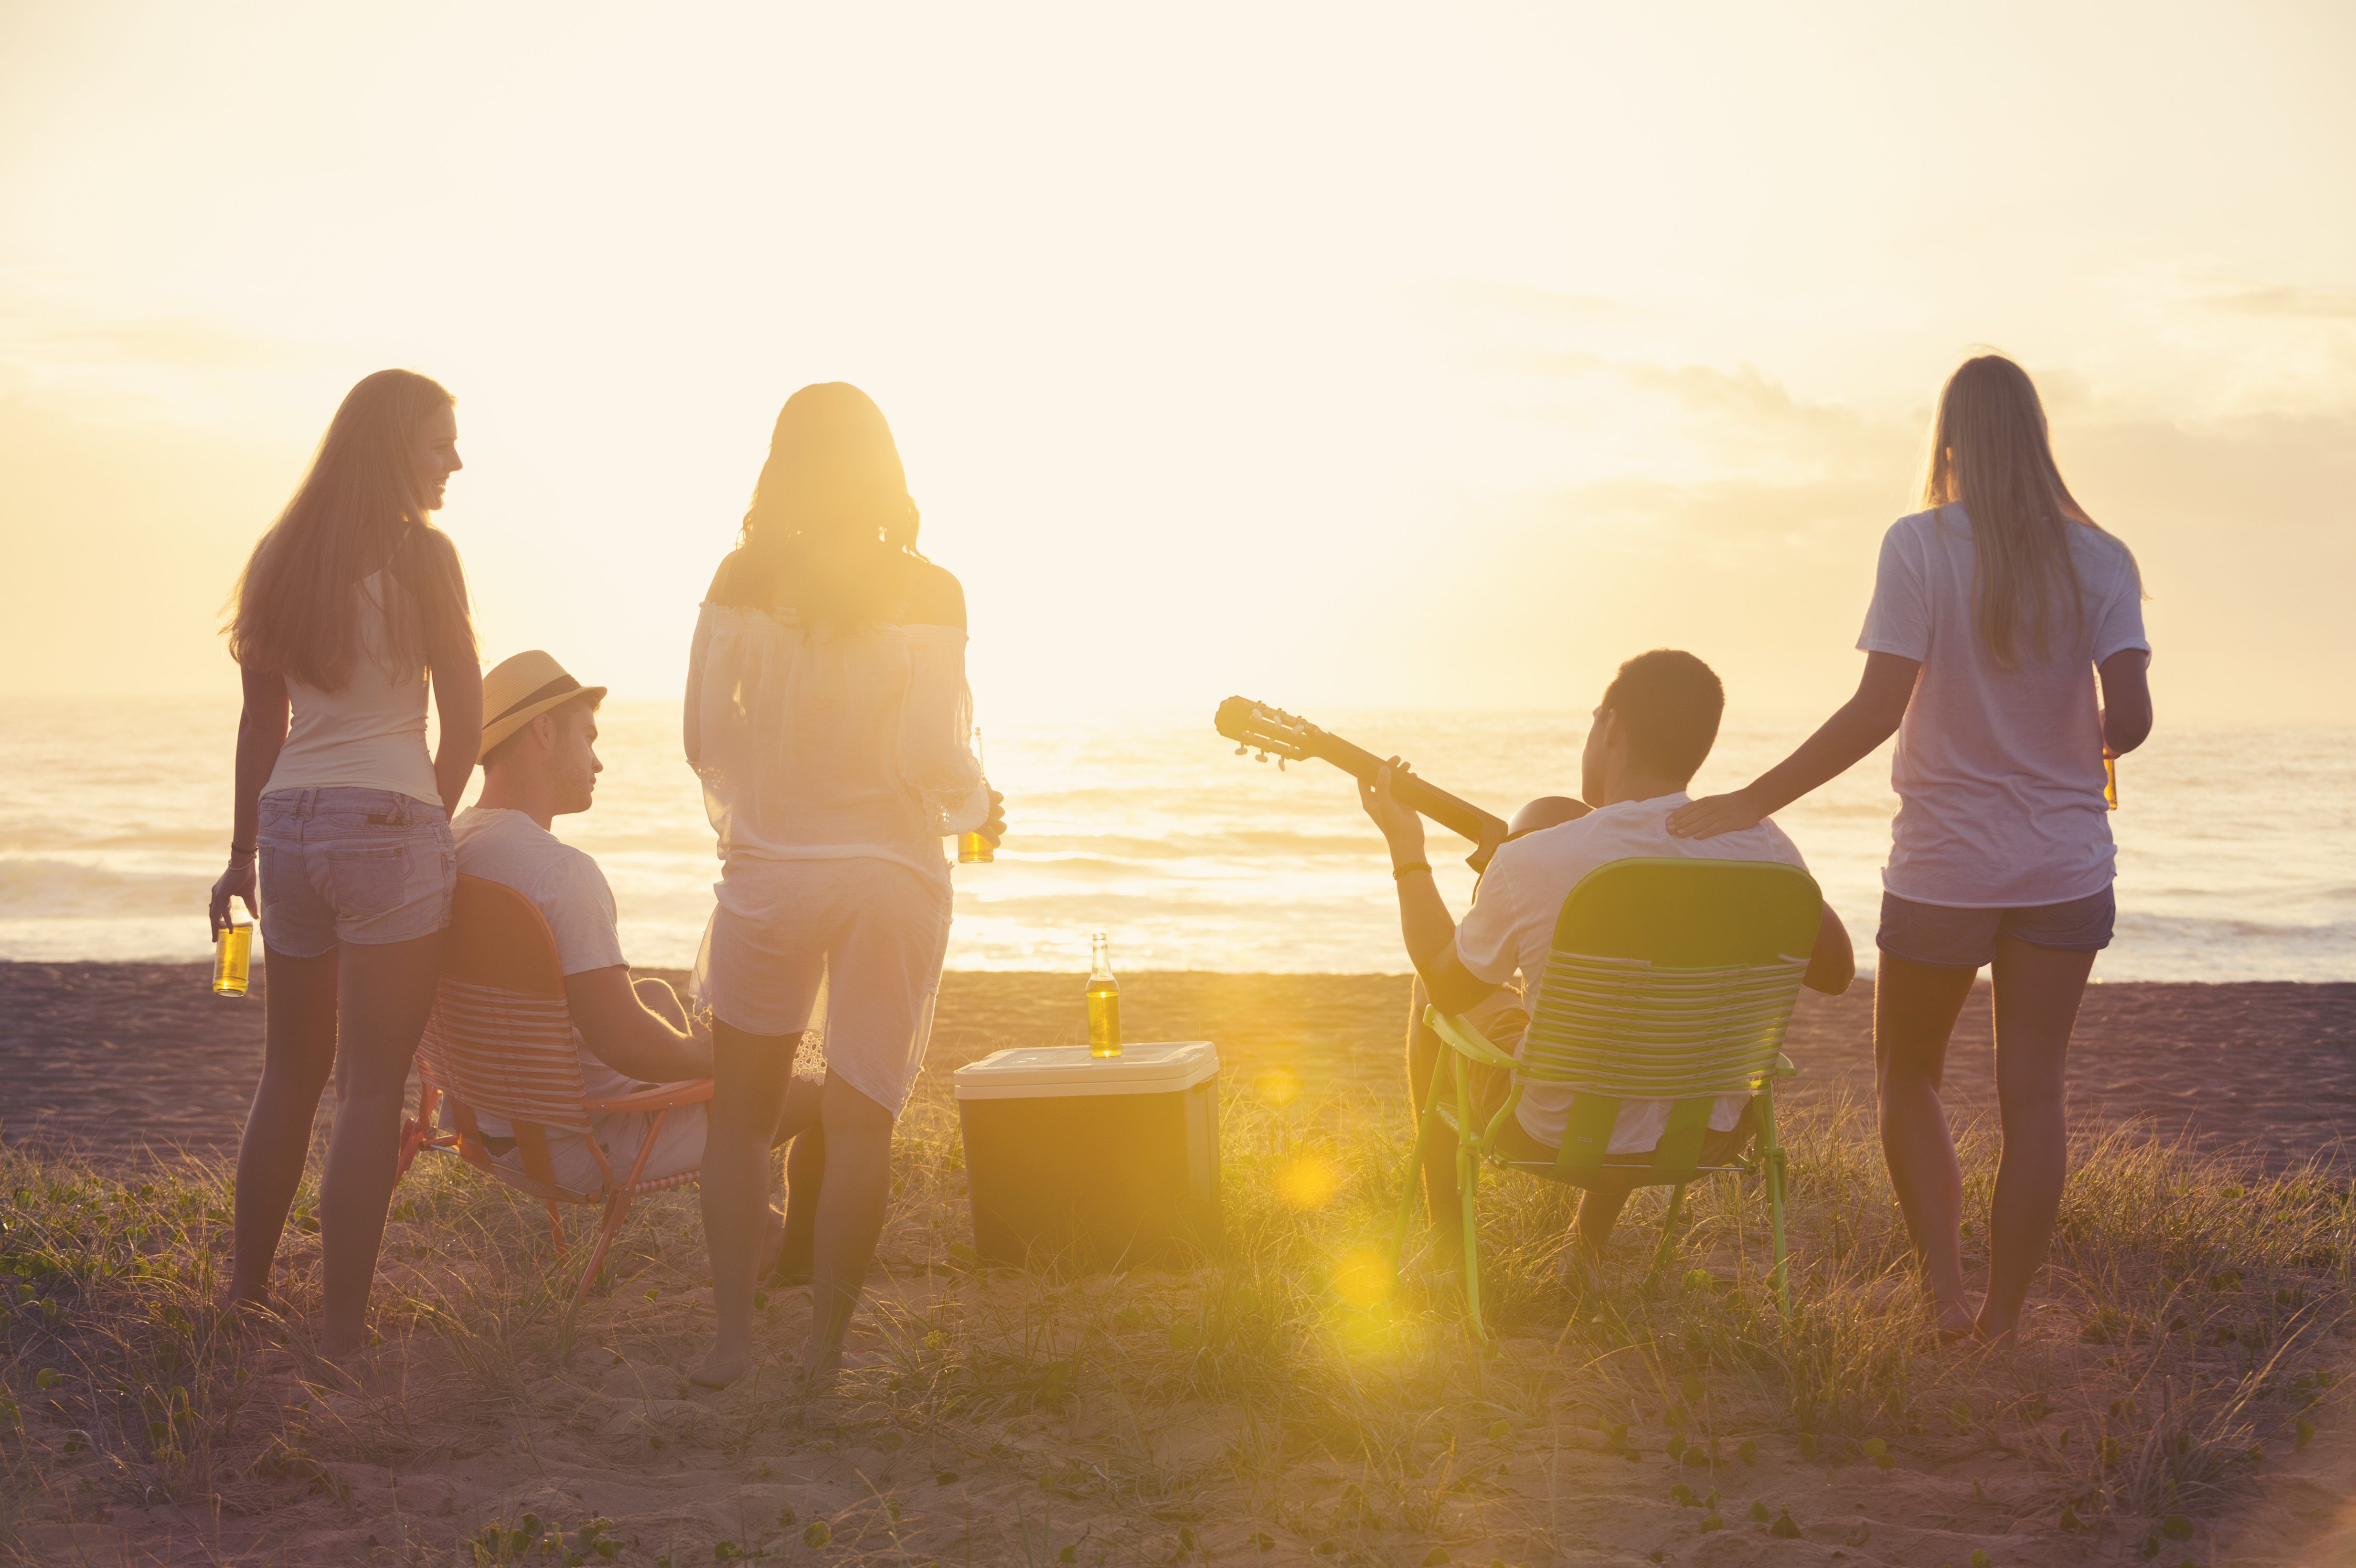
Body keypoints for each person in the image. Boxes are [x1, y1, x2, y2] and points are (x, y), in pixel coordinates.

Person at [1668, 353, 2152, 1347]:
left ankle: (1944, 1297)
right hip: (2063, 863)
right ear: (2036, 441)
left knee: (1907, 1075)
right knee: (2035, 1092)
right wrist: (2088, 727)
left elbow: (1876, 710)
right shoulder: (2102, 558)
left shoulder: (1920, 545)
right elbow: (2132, 720)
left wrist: (1751, 798)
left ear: (1947, 442)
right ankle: (2005, 1321)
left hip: (1944, 863)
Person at [685, 382, 1004, 1390]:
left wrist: (763, 789)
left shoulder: (741, 577)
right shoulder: (932, 591)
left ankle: (734, 1347)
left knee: (738, 1120)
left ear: (783, 465)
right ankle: (822, 1359)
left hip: (774, 869)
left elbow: (704, 737)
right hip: (890, 873)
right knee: (864, 1121)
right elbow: (929, 750)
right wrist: (977, 804)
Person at [1357, 650, 1856, 1276]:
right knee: (1651, 1002)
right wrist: (1768, 860)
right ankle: (1585, 1249)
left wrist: (1407, 849)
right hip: (1704, 1135)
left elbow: (1449, 985)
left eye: (1594, 720)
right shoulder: (1767, 849)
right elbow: (1836, 973)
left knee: (1426, 996)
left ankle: (1450, 1248)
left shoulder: (1537, 859)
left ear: (1612, 729)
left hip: (1547, 1132)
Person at [208, 368, 483, 1354]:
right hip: (386, 820)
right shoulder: (425, 557)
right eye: (438, 442)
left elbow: (260, 723)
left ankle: (245, 1294)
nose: (455, 460)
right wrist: (426, 821)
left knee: (289, 1074)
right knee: (371, 1086)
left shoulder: (283, 554)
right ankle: (340, 1330)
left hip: (289, 824)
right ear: (391, 447)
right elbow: (466, 712)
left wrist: (242, 852)